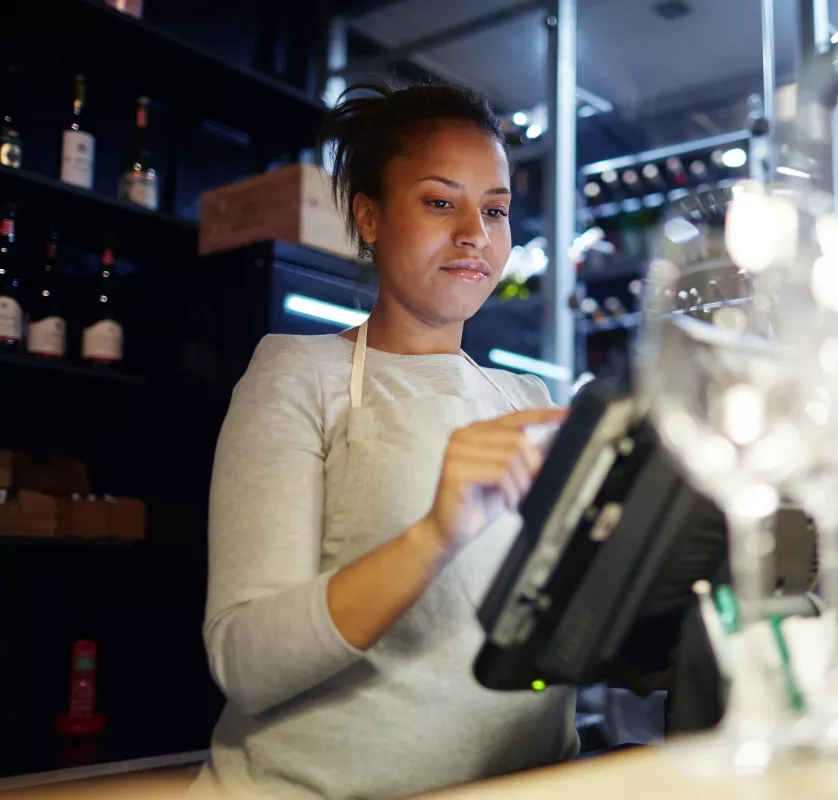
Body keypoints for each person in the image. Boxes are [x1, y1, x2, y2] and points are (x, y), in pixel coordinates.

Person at [190, 80, 577, 800]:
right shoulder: (296, 374)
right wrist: (435, 535)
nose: (474, 233)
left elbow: (570, 636)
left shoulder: (529, 402)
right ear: (368, 216)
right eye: (440, 201)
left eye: (494, 210)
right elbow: (243, 658)